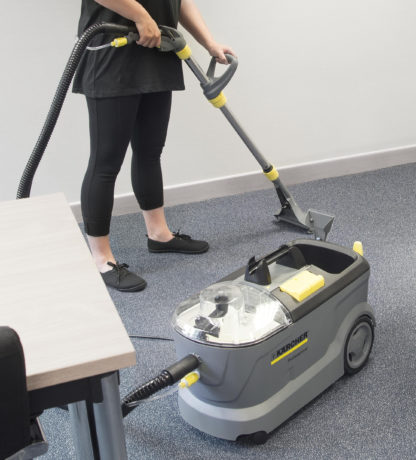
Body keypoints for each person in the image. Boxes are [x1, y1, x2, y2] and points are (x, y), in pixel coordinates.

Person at [73, 0, 235, 292]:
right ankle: (100, 259)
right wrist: (141, 16)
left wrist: (209, 42)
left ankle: (159, 234)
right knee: (105, 162)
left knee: (150, 152)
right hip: (113, 53)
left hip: (158, 51)